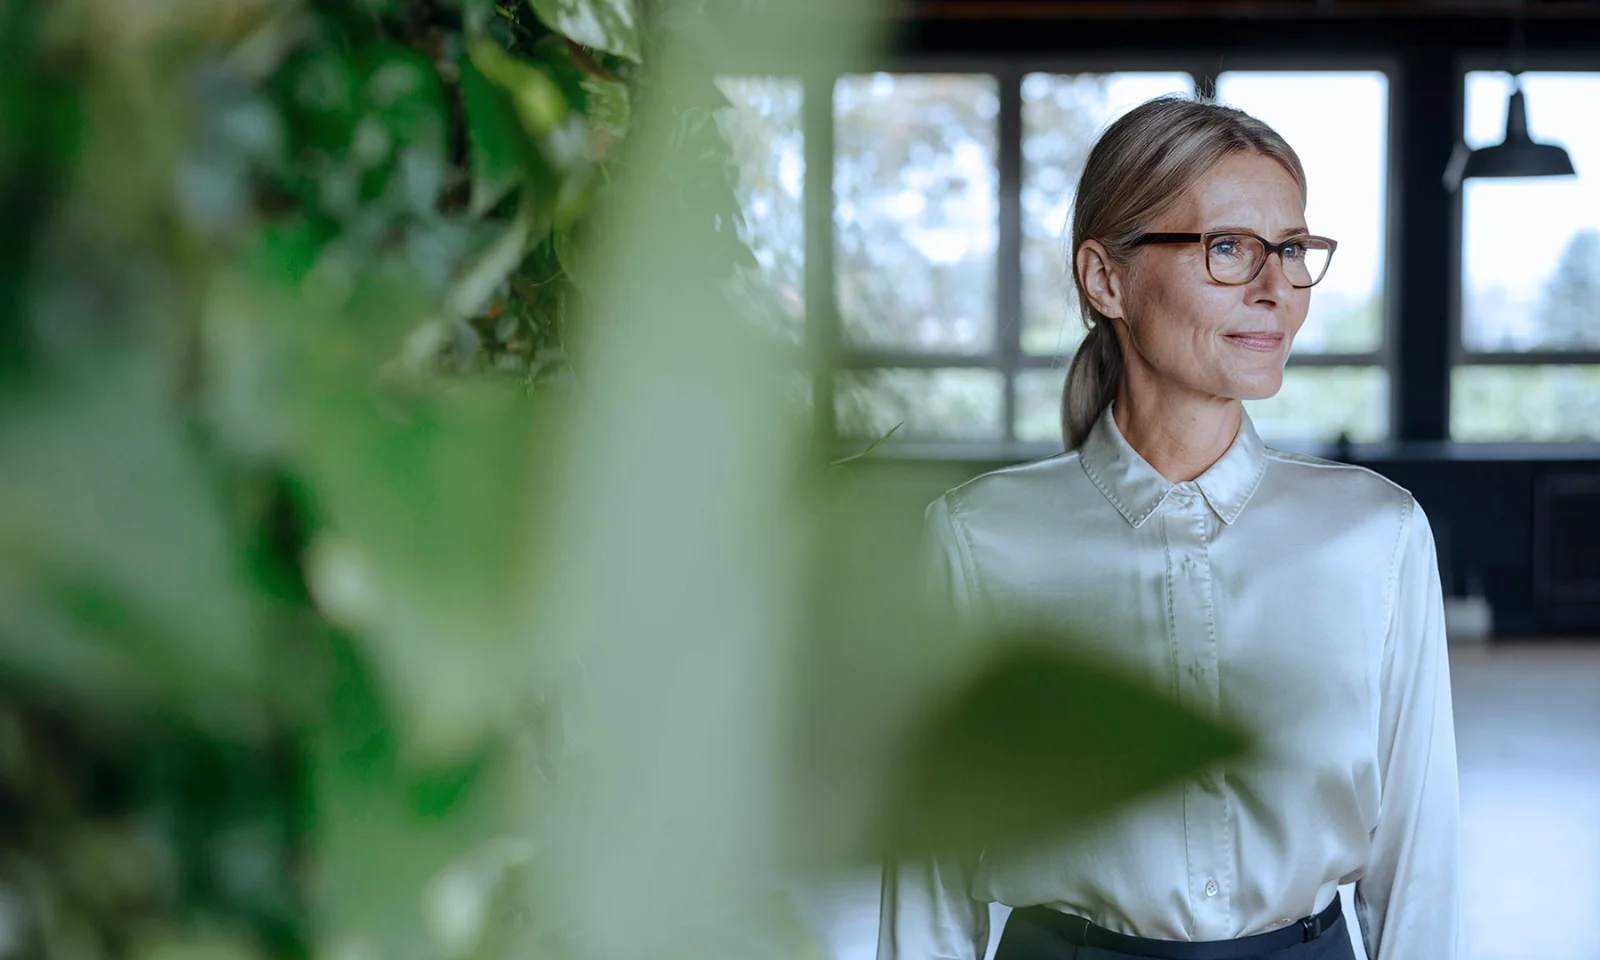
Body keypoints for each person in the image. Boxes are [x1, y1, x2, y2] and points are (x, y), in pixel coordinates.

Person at [877, 96, 1460, 960]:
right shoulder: (980, 540)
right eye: (1229, 248)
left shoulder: (1376, 535)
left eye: (1292, 251)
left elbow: (1419, 861)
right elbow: (926, 875)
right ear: (1106, 279)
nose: (1275, 290)